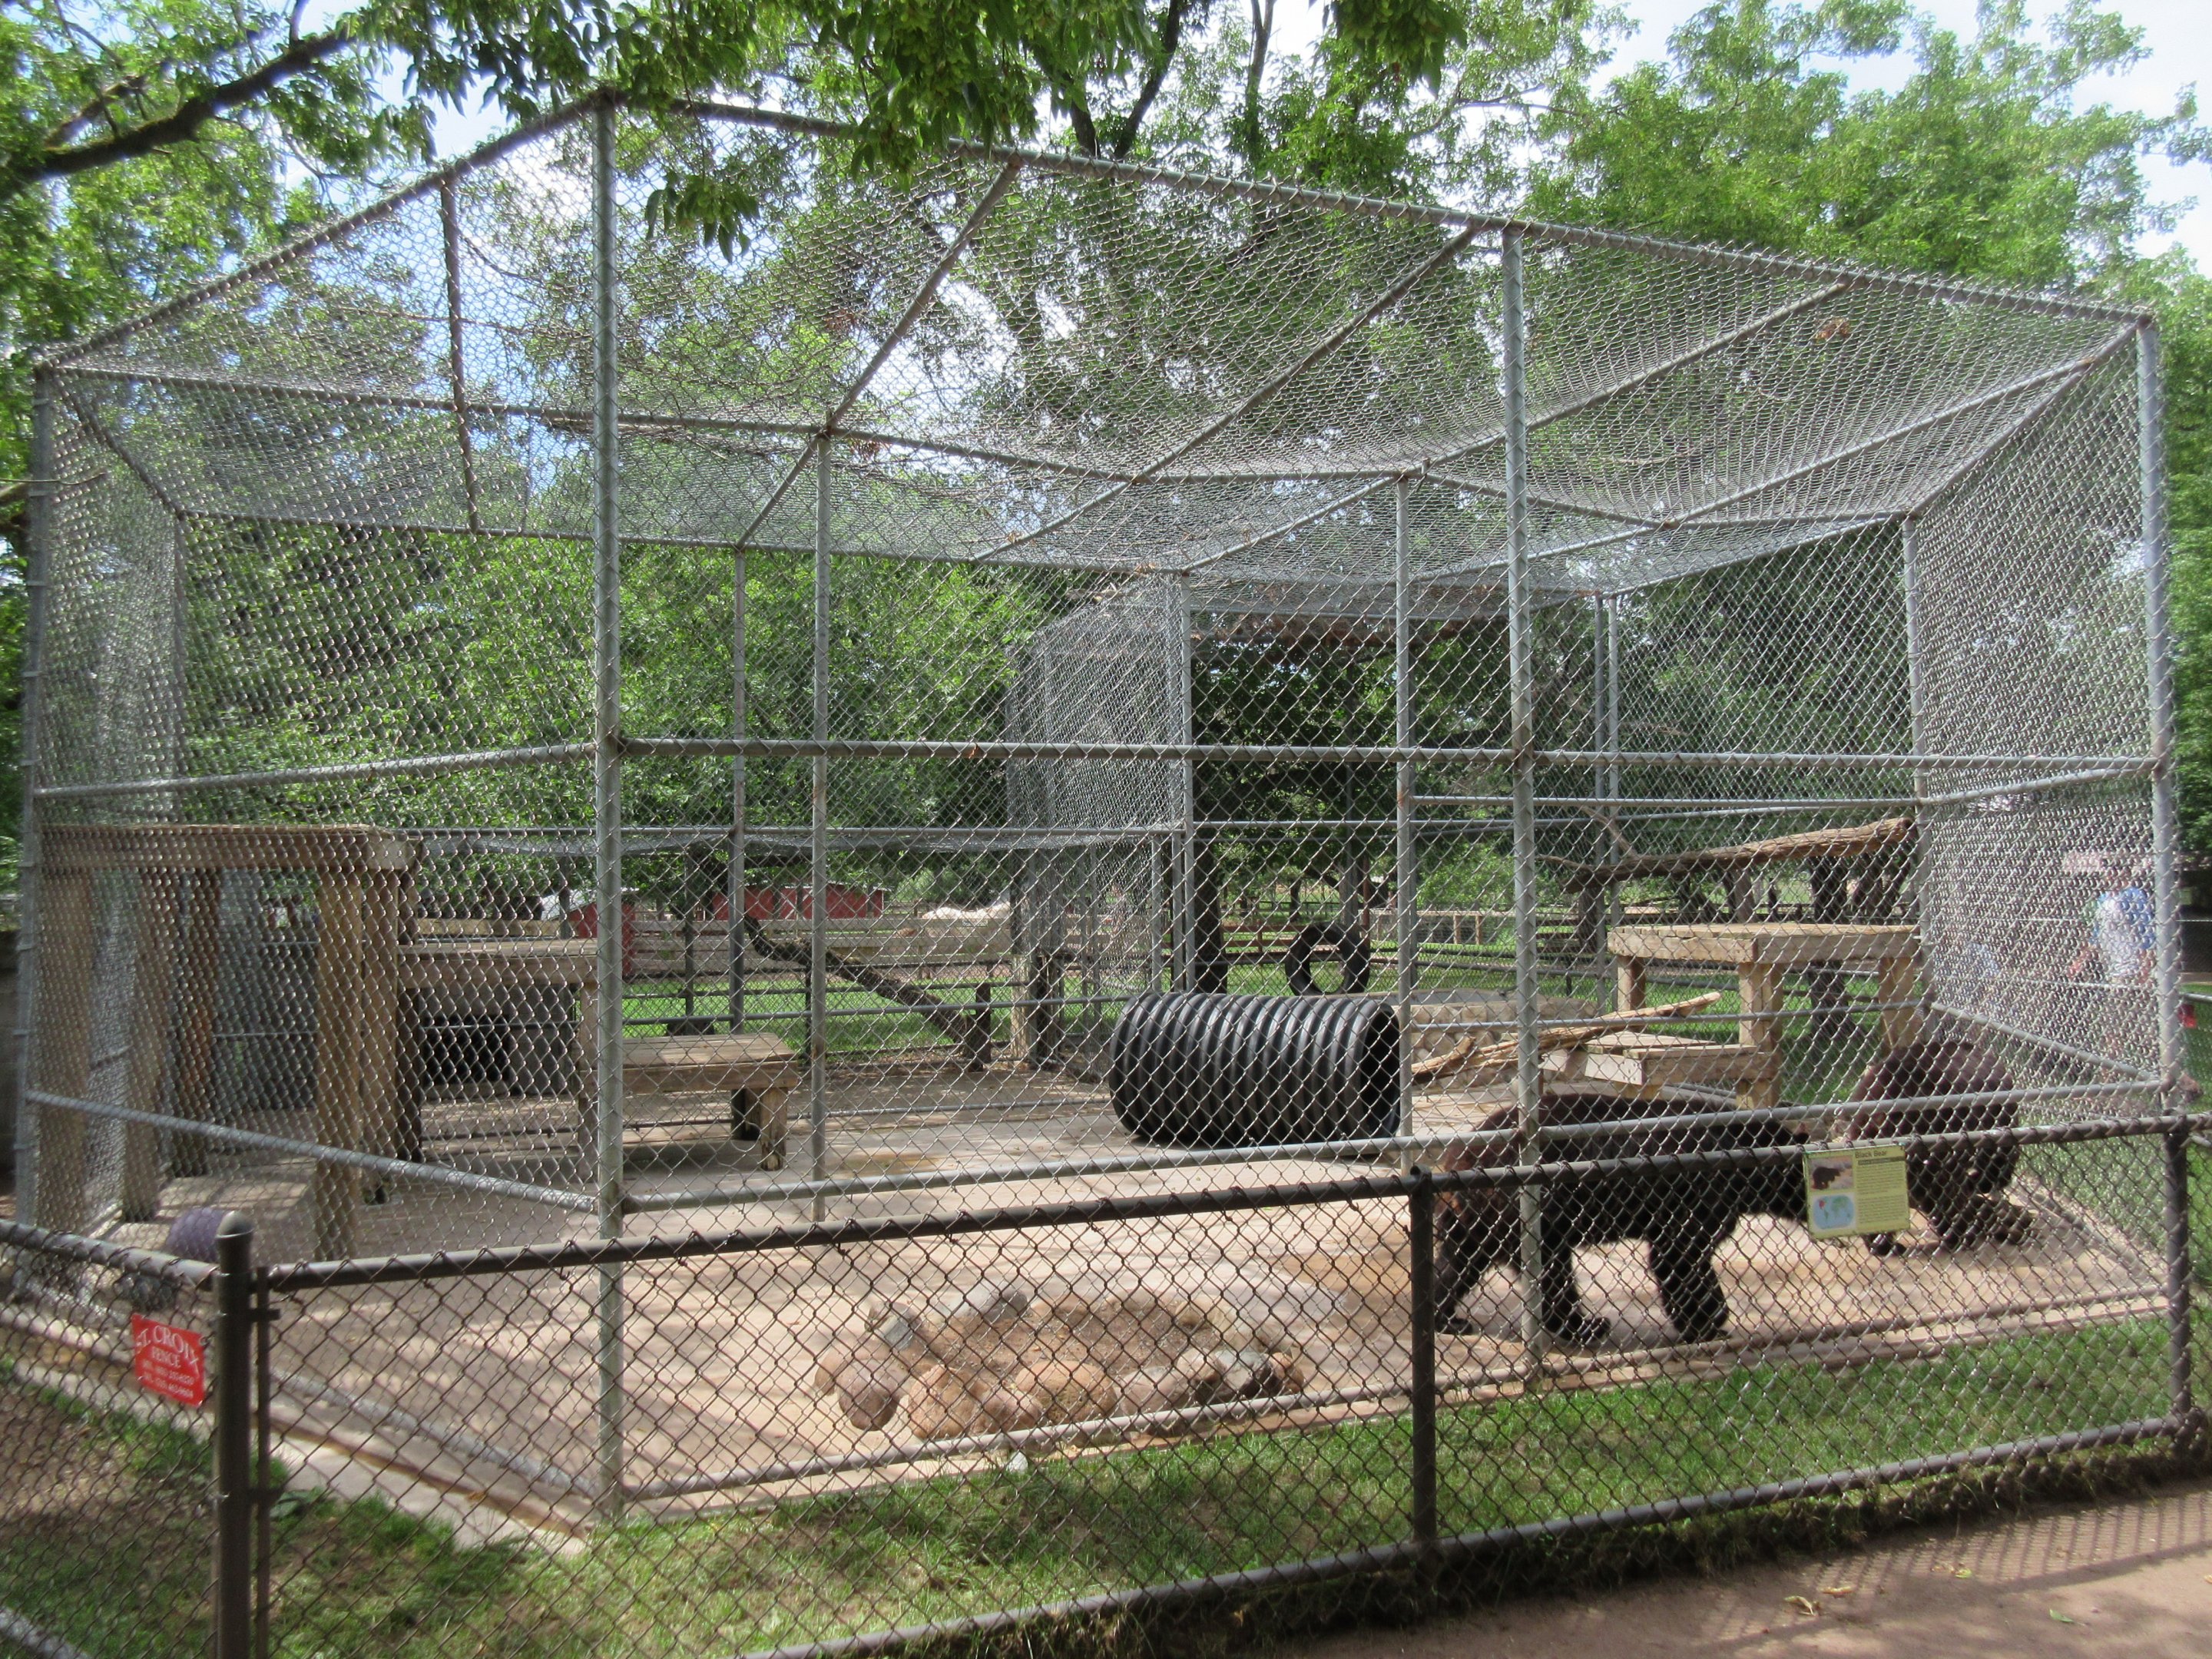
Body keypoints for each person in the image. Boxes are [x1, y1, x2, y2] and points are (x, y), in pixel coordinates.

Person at [2068, 862, 2157, 1058]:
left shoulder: (2133, 897)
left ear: (2123, 873)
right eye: (2106, 872)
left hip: (2130, 970)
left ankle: (2111, 1072)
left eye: (2112, 872)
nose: (2107, 876)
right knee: (2137, 1026)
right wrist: (2080, 961)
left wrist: (2145, 971)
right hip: (2113, 970)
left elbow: (2147, 936)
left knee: (2113, 1023)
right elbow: (2096, 936)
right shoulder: (2104, 899)